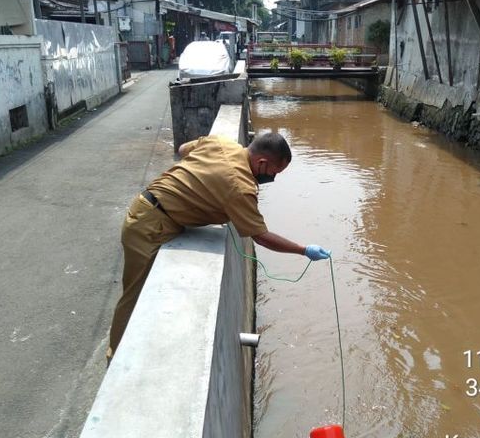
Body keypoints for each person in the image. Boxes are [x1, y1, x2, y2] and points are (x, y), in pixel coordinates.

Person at [107, 132, 330, 361]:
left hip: (149, 209)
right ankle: (115, 358)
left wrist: (200, 184)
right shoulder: (240, 186)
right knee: (134, 295)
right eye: (275, 172)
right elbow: (261, 236)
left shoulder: (221, 143)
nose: (274, 178)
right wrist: (303, 250)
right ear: (262, 163)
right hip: (149, 227)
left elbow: (184, 149)